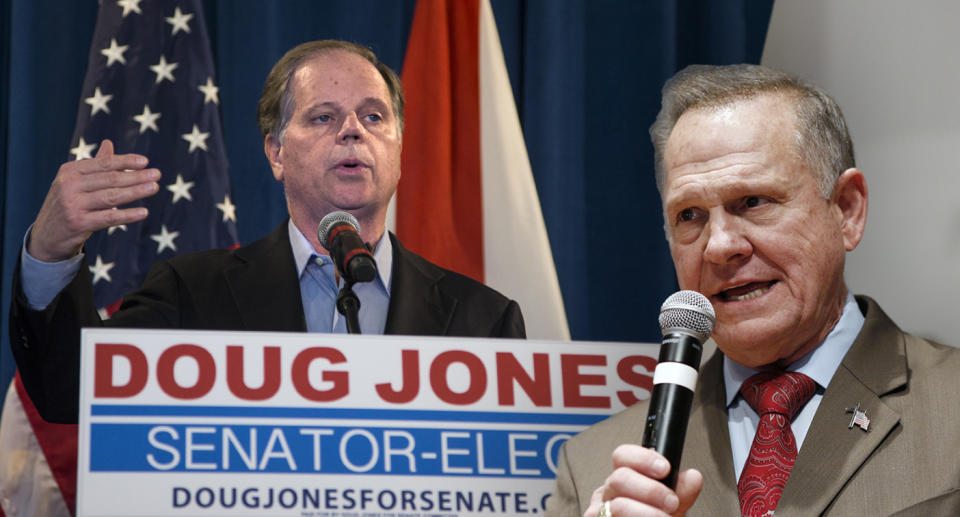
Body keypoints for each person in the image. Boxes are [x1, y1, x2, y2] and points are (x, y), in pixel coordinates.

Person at [9, 40, 525, 424]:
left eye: (373, 116)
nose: (353, 130)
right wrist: (50, 253)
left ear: (397, 149)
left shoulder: (484, 320)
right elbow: (68, 391)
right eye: (323, 117)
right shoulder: (193, 295)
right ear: (276, 152)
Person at [546, 64, 960, 516]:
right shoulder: (597, 470)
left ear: (846, 210)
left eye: (754, 202)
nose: (720, 246)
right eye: (689, 215)